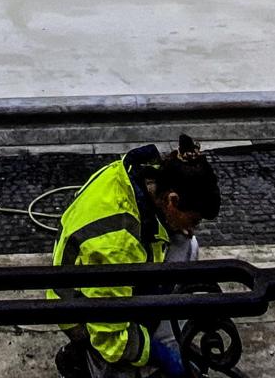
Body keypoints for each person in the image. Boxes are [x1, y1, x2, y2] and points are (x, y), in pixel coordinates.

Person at [49, 135, 221, 378]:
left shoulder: (145, 175)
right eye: (193, 219)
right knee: (119, 355)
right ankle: (87, 360)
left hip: (100, 276)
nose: (193, 227)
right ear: (172, 201)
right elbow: (112, 340)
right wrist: (158, 354)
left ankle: (156, 337)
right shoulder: (118, 242)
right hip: (76, 307)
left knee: (187, 244)